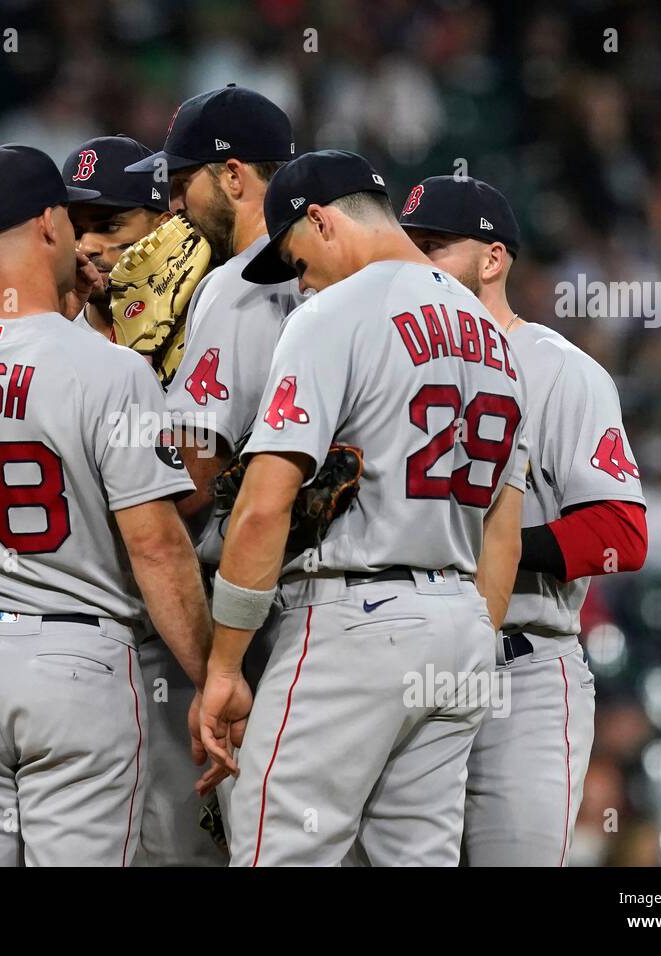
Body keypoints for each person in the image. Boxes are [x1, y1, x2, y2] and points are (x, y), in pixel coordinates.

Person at [200, 150, 528, 866]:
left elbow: (262, 509)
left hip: (354, 624)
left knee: (277, 854)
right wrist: (464, 633)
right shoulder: (496, 341)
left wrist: (224, 665)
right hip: (459, 624)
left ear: (320, 220)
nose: (299, 280)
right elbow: (503, 531)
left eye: (295, 259)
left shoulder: (334, 315)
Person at [0, 144, 212, 866]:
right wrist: (211, 675)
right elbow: (158, 546)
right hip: (78, 658)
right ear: (47, 222)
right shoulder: (109, 370)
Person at [400, 175, 647, 866]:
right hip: (412, 663)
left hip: (525, 669)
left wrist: (496, 549)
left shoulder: (563, 372)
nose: (417, 264)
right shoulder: (395, 361)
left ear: (492, 259)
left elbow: (621, 534)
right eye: (409, 246)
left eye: (436, 246)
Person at [121, 83, 305, 864]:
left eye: (182, 179)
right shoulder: (357, 277)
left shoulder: (236, 287)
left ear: (234, 178)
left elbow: (195, 478)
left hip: (253, 613)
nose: (170, 202)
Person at [60, 135, 171, 342]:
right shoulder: (50, 338)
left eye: (109, 227)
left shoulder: (199, 327)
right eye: (75, 231)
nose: (85, 247)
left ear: (162, 229)